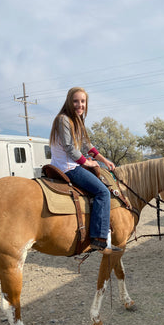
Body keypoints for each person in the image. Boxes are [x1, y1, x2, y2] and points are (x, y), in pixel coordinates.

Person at [50, 87, 121, 253]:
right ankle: (99, 238)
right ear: (69, 101)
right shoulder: (64, 120)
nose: (79, 105)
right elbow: (69, 147)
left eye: (82, 101)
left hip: (70, 164)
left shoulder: (77, 121)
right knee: (102, 192)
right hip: (67, 167)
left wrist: (104, 160)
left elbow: (87, 146)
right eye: (76, 101)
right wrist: (86, 162)